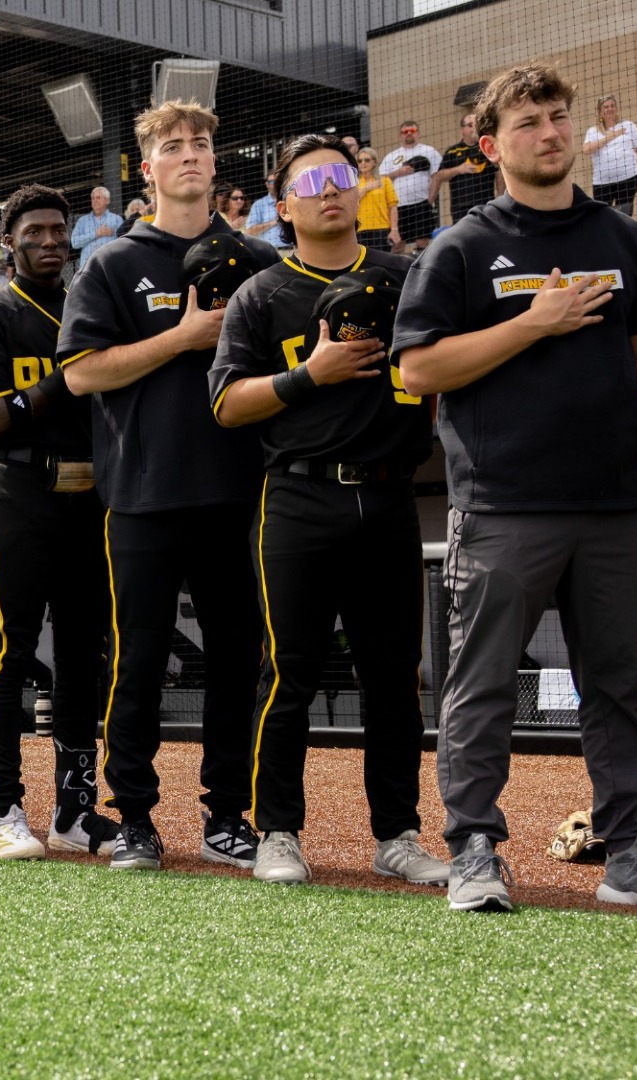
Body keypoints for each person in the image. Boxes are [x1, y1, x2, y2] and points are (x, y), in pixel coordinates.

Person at [394, 64, 637, 912]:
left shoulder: (626, 241)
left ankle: (629, 853)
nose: (552, 133)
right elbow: (418, 370)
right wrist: (533, 323)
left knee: (617, 684)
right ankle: (475, 853)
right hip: (501, 505)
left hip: (616, 503)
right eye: (529, 123)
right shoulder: (459, 248)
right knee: (481, 684)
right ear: (491, 146)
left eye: (559, 118)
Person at [209, 133, 446, 888]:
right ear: (285, 208)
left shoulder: (407, 276)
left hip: (387, 493)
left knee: (394, 677)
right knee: (287, 672)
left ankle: (398, 834)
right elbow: (225, 404)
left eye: (342, 176)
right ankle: (278, 830)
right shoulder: (262, 293)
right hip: (298, 497)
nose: (331, 190)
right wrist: (309, 375)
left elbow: (441, 368)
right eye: (312, 183)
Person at [59, 99, 275, 873]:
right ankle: (137, 819)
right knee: (138, 664)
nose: (190, 155)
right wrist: (181, 337)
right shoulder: (112, 263)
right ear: (145, 169)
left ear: (217, 164)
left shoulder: (256, 261)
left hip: (239, 493)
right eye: (173, 147)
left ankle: (227, 816)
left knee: (237, 660)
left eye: (203, 145)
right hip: (142, 495)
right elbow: (81, 373)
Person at [0, 183, 119, 861]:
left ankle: (75, 812)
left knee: (85, 655)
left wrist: (32, 402)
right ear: (7, 241)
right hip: (19, 492)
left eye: (59, 230)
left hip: (94, 494)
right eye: (35, 232)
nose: (50, 241)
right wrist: (67, 381)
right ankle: (3, 810)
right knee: (11, 651)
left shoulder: (94, 303)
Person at [379, 120, 442, 252]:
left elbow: (437, 176)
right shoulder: (391, 156)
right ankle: (397, 271)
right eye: (405, 132)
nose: (408, 134)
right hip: (398, 207)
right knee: (397, 244)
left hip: (421, 204)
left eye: (412, 131)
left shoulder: (429, 151)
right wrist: (396, 173)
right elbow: (381, 180)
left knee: (423, 242)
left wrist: (430, 200)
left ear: (418, 133)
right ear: (400, 135)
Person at [584, 94, 637, 216]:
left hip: (627, 178)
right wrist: (610, 136)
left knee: (624, 214)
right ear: (600, 112)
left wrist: (630, 156)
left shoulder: (628, 125)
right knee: (602, 215)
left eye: (612, 106)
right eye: (606, 107)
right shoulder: (593, 132)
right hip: (602, 182)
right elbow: (586, 150)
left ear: (616, 109)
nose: (610, 109)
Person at [431, 113, 498, 225]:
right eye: (471, 125)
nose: (475, 128)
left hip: (486, 205)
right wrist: (458, 170)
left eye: (477, 125)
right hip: (461, 208)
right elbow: (438, 176)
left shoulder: (487, 148)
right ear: (463, 129)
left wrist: (499, 197)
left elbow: (498, 171)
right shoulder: (452, 151)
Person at [353, 148, 402, 252]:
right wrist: (367, 188)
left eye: (367, 160)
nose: (363, 163)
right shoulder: (353, 182)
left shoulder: (384, 180)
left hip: (381, 230)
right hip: (359, 230)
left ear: (374, 162)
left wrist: (394, 230)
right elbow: (350, 202)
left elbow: (392, 207)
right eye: (360, 161)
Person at [69, 187, 123, 267]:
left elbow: (122, 242)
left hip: (110, 265)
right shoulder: (82, 221)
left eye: (98, 197)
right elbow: (74, 242)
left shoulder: (116, 219)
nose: (95, 200)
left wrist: (113, 234)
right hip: (87, 267)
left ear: (107, 200)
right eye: (93, 198)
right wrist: (96, 234)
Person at [245, 175, 285, 246]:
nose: (275, 184)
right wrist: (275, 221)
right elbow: (250, 231)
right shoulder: (259, 204)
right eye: (272, 181)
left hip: (291, 250)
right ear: (266, 184)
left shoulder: (288, 201)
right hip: (269, 251)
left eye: (277, 181)